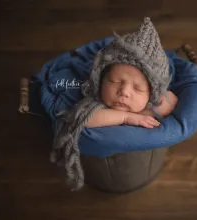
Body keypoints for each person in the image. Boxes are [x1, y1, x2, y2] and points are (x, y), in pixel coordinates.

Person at [52, 17, 181, 191]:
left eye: (137, 88)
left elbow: (170, 101)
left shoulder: (154, 101)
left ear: (152, 94)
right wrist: (128, 117)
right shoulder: (96, 100)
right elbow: (87, 119)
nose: (124, 92)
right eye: (114, 81)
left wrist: (147, 113)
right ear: (101, 79)